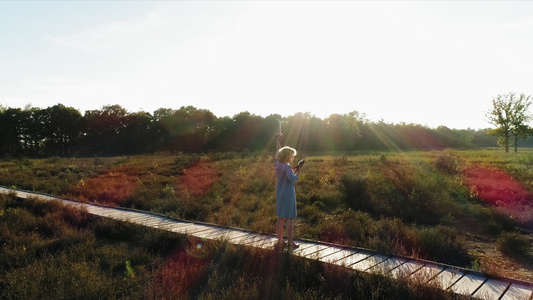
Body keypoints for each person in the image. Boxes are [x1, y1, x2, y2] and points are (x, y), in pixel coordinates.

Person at [274, 133, 300, 250]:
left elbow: (279, 151)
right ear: (288, 156)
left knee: (281, 218)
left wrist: (278, 140)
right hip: (289, 193)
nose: (292, 157)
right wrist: (299, 171)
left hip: (280, 192)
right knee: (289, 218)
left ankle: (280, 241)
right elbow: (293, 179)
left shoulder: (277, 163)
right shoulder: (288, 167)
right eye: (292, 156)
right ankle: (290, 243)